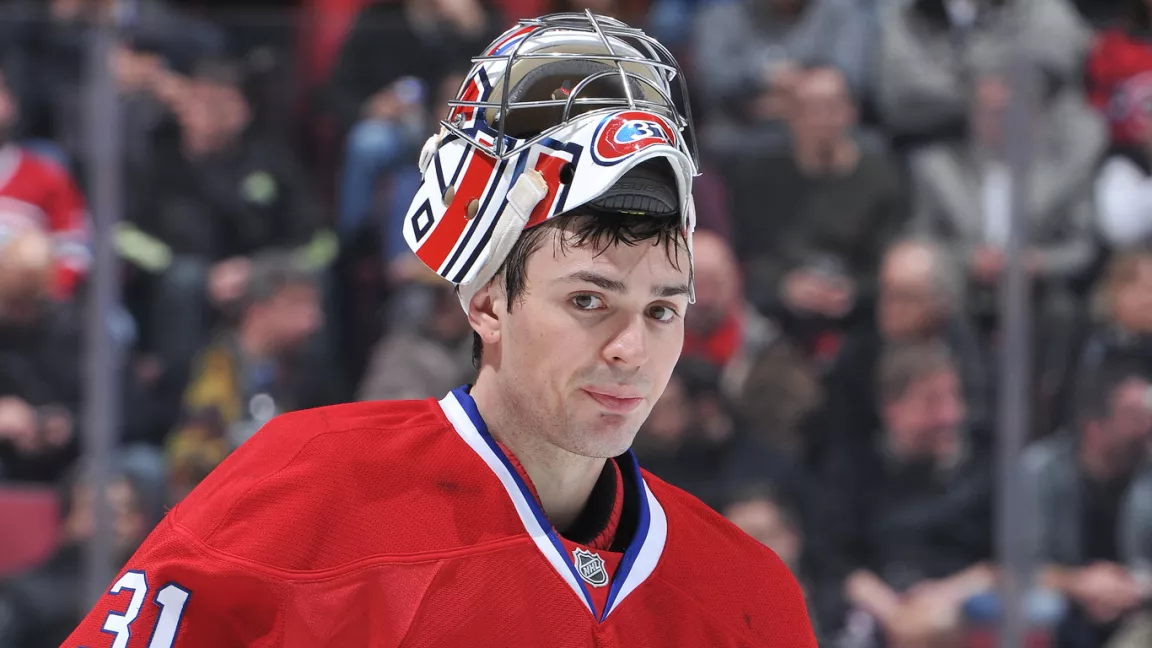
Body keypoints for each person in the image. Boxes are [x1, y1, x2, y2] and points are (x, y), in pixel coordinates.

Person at [65, 12, 816, 647]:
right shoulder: (302, 489)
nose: (631, 351)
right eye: (589, 301)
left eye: (661, 311)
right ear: (487, 302)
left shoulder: (751, 593)